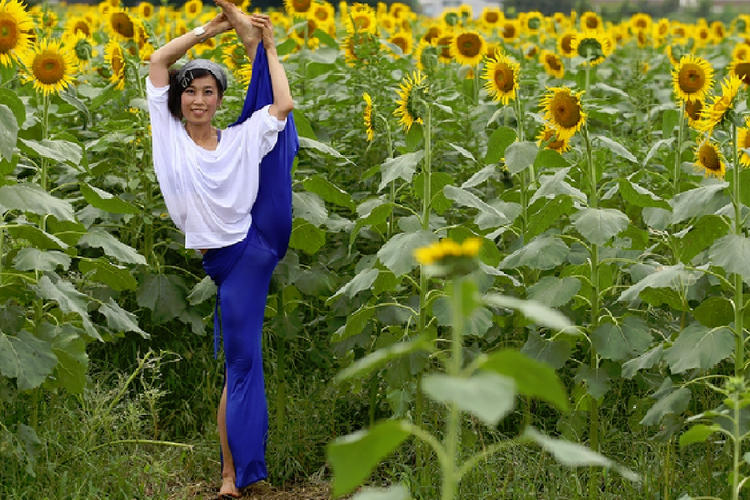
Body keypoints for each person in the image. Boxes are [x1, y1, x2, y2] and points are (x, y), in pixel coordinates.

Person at [146, 0, 297, 497]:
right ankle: (233, 470)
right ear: (180, 101)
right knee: (239, 364)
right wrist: (204, 33)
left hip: (255, 247)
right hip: (222, 260)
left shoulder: (237, 138)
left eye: (208, 92)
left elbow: (282, 105)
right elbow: (157, 62)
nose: (197, 100)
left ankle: (236, 476)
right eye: (190, 92)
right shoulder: (169, 137)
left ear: (217, 100)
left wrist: (270, 50)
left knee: (241, 363)